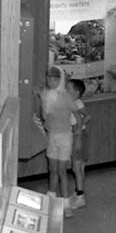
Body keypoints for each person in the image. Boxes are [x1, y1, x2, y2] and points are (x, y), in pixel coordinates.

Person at [33, 65, 79, 217]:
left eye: (54, 79)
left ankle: (66, 204)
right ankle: (51, 198)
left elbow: (78, 116)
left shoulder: (66, 97)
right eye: (49, 78)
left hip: (65, 137)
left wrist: (78, 135)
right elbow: (36, 91)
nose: (51, 81)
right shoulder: (45, 94)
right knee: (52, 169)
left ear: (60, 80)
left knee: (61, 171)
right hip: (51, 136)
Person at [66, 77, 90, 209]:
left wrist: (78, 129)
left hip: (78, 137)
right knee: (80, 168)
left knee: (77, 168)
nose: (65, 90)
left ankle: (80, 196)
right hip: (77, 136)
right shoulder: (73, 102)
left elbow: (88, 116)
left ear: (76, 93)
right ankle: (78, 192)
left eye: (68, 88)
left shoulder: (76, 103)